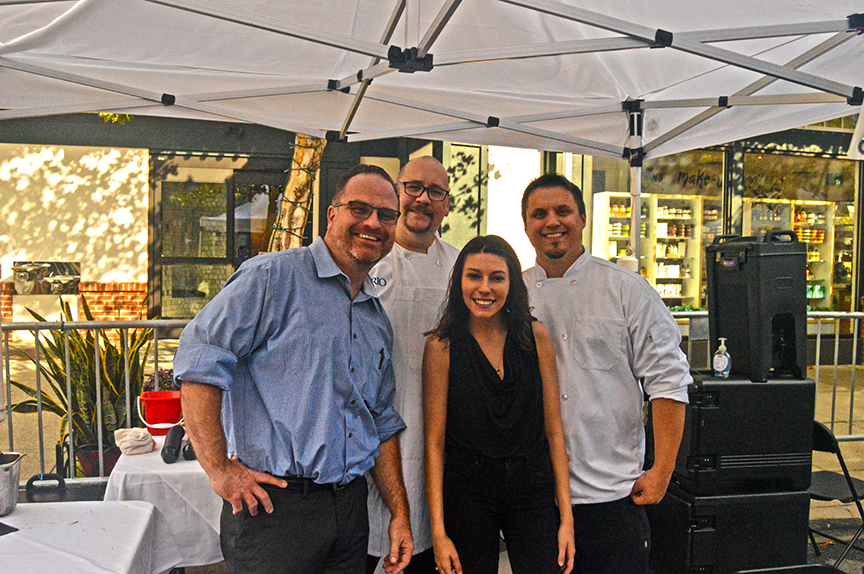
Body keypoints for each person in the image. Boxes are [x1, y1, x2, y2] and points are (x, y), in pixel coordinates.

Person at [173, 164, 414, 574]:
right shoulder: (272, 277)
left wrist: (400, 513)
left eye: (387, 215)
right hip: (274, 513)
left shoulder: (375, 318)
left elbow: (381, 422)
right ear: (332, 214)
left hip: (350, 513)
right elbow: (199, 362)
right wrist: (219, 469)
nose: (373, 223)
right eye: (360, 209)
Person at [520, 174, 692, 574]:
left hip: (612, 494)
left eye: (563, 211)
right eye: (539, 214)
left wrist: (662, 470)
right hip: (537, 496)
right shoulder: (514, 293)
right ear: (526, 225)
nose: (552, 222)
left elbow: (668, 381)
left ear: (582, 218)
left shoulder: (626, 289)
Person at [422, 235, 575, 574]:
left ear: (512, 284)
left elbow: (554, 431)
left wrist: (566, 519)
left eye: (497, 278)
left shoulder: (537, 337)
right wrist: (438, 531)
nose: (484, 288)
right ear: (459, 280)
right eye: (474, 275)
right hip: (468, 490)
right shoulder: (441, 346)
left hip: (532, 486)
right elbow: (434, 443)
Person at [367, 157, 460, 574]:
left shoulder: (463, 268)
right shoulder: (366, 262)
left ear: (447, 204)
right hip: (375, 428)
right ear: (397, 193)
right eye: (413, 188)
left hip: (443, 428)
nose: (423, 200)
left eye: (435, 192)